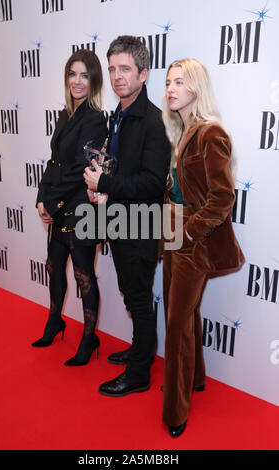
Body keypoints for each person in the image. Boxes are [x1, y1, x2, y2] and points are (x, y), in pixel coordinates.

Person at [161, 58, 245, 437]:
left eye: (179, 82)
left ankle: (175, 412)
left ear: (196, 87)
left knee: (178, 322)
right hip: (172, 233)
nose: (170, 89)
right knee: (184, 313)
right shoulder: (181, 132)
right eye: (168, 83)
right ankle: (192, 379)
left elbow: (223, 197)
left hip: (192, 240)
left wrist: (192, 231)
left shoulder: (211, 134)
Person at [84, 36, 171, 396]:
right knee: (130, 290)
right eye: (113, 69)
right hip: (119, 220)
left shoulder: (153, 121)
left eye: (126, 69)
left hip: (141, 224)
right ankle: (140, 352)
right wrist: (103, 186)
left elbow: (152, 183)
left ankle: (139, 374)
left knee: (138, 296)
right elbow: (122, 169)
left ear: (143, 74)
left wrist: (105, 180)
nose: (118, 76)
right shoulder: (118, 114)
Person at [31, 50, 107, 367]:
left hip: (82, 209)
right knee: (53, 266)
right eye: (72, 74)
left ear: (94, 80)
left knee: (83, 275)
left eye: (84, 75)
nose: (77, 81)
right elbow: (55, 162)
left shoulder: (95, 119)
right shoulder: (66, 115)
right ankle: (55, 321)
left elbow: (79, 170)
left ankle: (89, 338)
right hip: (61, 204)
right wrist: (41, 197)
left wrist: (52, 201)